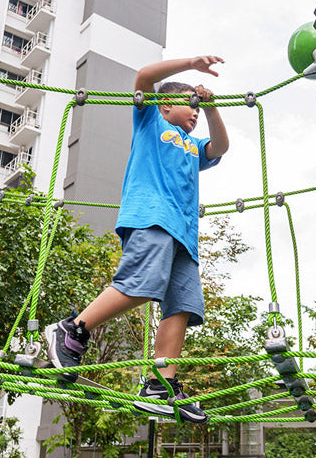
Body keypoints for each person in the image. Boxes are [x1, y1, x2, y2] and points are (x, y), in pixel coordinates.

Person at [44, 56, 230, 424]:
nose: (194, 113)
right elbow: (144, 76)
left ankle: (161, 383)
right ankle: (73, 329)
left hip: (184, 236)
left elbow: (221, 147)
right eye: (190, 104)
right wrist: (192, 63)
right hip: (150, 219)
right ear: (166, 104)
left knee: (184, 305)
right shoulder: (149, 123)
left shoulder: (194, 147)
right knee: (143, 285)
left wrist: (210, 108)